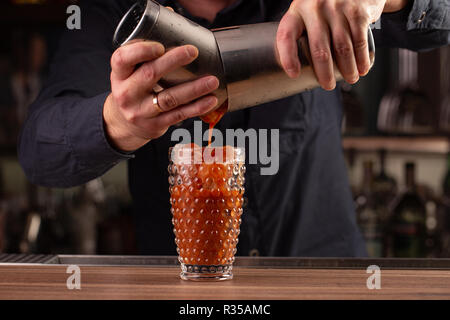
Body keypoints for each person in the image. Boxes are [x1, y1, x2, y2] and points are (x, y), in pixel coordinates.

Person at [18, 0, 450, 256]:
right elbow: (40, 152)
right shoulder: (110, 14)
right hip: (184, 292)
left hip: (324, 276)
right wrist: (114, 121)